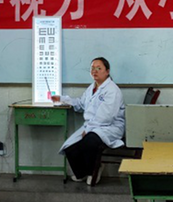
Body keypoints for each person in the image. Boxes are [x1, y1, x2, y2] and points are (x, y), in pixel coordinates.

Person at [52, 57, 126, 186]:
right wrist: (62, 99)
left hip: (110, 127)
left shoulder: (112, 90)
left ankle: (94, 172)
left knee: (89, 141)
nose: (95, 71)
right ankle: (82, 173)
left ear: (107, 71)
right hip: (93, 126)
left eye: (99, 68)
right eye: (92, 68)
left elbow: (106, 117)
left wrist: (88, 130)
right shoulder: (92, 87)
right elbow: (81, 104)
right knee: (70, 147)